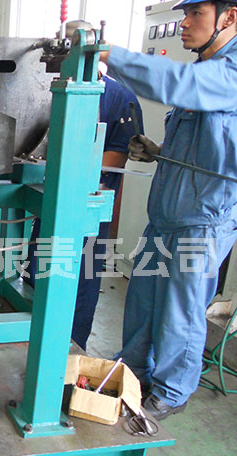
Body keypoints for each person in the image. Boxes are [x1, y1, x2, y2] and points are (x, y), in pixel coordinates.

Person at [100, 0, 237, 419]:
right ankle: (134, 370)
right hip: (166, 214)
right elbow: (210, 144)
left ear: (230, 17)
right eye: (184, 13)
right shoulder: (207, 72)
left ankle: (172, 390)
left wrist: (108, 53)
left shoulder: (228, 73)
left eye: (196, 13)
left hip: (202, 221)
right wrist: (159, 151)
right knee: (142, 300)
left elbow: (179, 83)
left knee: (181, 311)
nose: (184, 23)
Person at [25, 20, 144, 352]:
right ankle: (31, 346)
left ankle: (69, 354)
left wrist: (63, 165)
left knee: (79, 287)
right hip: (49, 205)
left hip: (86, 215)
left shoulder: (119, 99)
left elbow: (115, 158)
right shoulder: (48, 92)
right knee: (38, 275)